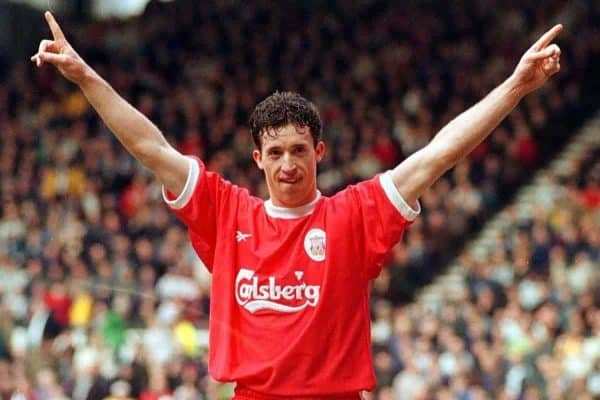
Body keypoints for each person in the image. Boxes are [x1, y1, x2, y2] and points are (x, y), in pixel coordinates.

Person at [31, 11, 563, 399]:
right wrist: (85, 76)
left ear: (320, 153)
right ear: (258, 157)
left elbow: (440, 153)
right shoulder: (226, 211)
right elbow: (150, 146)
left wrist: (516, 86)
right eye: (277, 152)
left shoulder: (355, 215)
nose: (289, 164)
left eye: (300, 151)